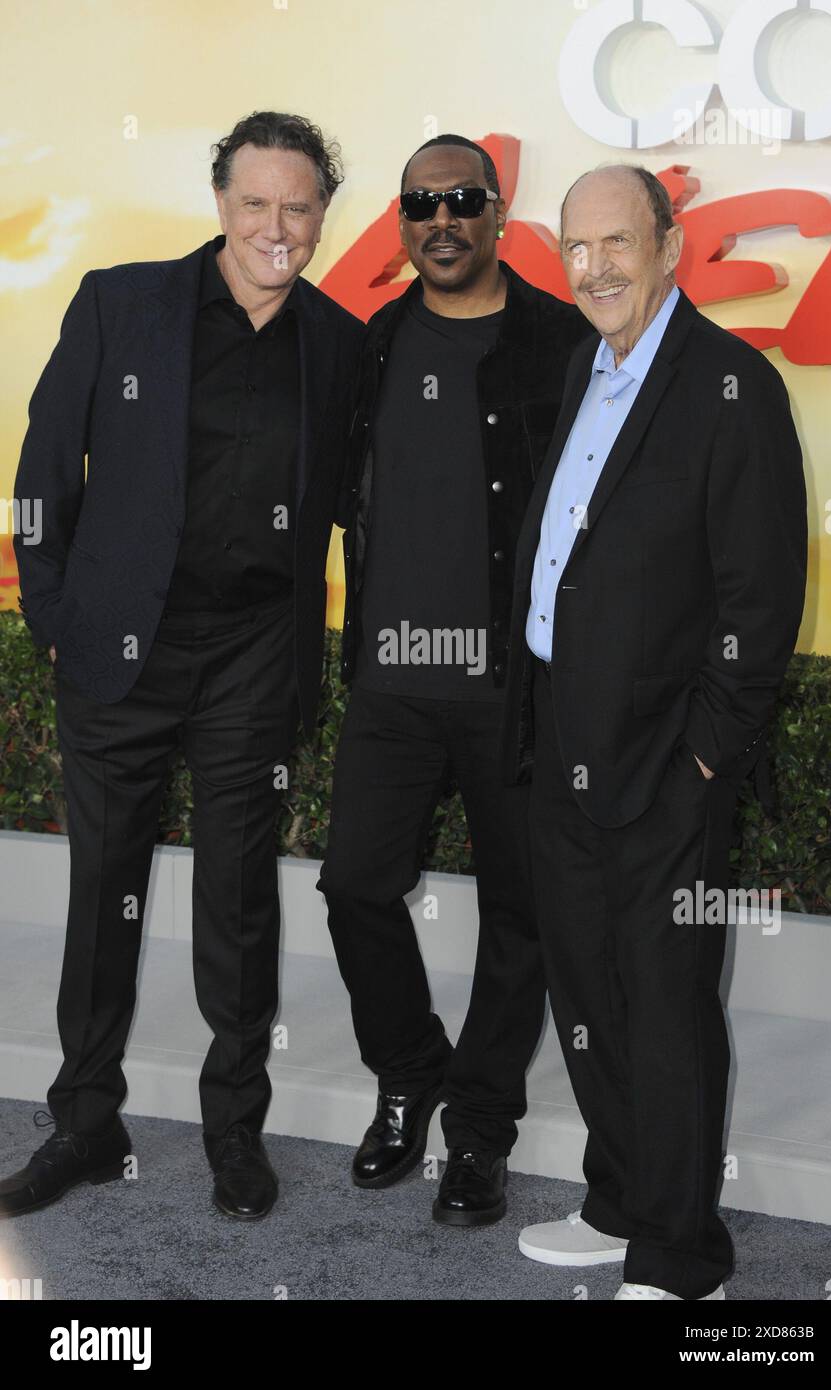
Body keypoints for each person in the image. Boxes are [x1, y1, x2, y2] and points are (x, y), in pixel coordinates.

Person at [4, 111, 362, 1223]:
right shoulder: (123, 302)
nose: (275, 225)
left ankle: (231, 1132)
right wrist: (53, 611)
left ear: (319, 217)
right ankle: (83, 1120)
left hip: (254, 657)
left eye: (297, 207)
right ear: (221, 203)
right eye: (254, 202)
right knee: (104, 888)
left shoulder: (339, 343)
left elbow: (360, 504)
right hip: (120, 650)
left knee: (239, 901)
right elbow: (40, 463)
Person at [502, 164, 807, 1296]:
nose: (594, 269)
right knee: (585, 989)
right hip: (561, 740)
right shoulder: (584, 366)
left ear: (671, 245)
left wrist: (702, 760)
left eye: (617, 243)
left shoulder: (734, 387)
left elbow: (761, 605)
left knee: (665, 1003)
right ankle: (622, 1198)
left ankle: (682, 1251)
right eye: (576, 249)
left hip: (663, 763)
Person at [318, 135, 591, 1226]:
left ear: (496, 213)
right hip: (391, 683)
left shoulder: (559, 343)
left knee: (518, 916)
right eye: (422, 202)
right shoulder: (374, 342)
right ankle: (408, 1069)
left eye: (462, 200)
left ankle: (478, 1133)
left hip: (509, 688)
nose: (442, 219)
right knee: (352, 886)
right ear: (402, 218)